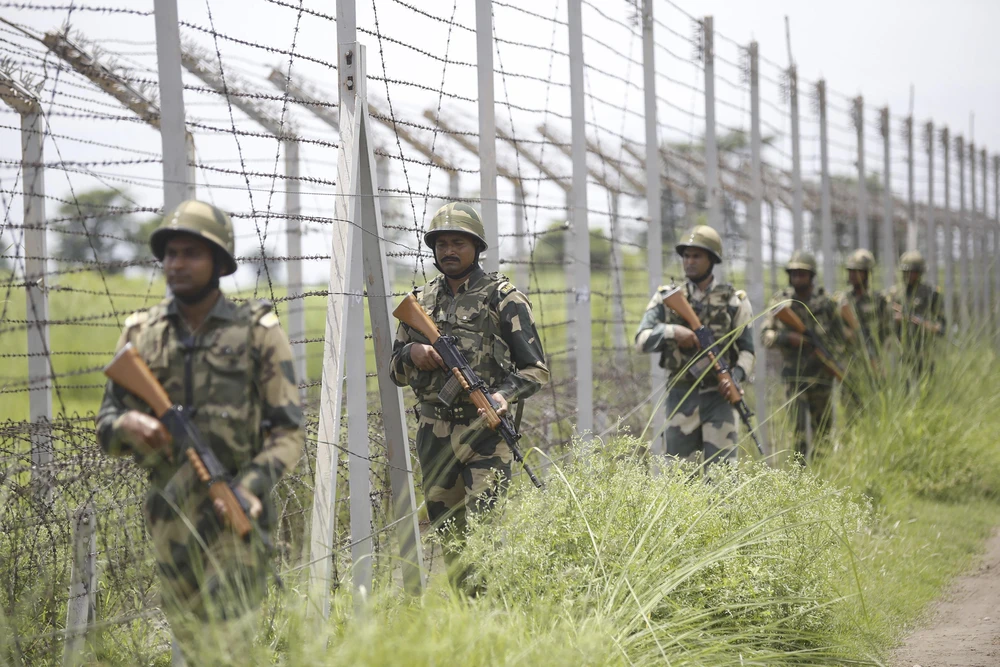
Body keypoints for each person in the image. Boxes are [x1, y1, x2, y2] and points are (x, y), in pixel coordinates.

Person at [95, 200, 303, 662]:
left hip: (234, 512)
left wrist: (249, 489)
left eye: (190, 253)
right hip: (170, 517)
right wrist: (128, 423)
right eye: (170, 253)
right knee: (190, 641)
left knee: (229, 643)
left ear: (218, 262)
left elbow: (288, 431)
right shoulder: (140, 334)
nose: (176, 264)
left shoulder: (257, 331)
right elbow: (106, 429)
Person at [389, 202, 549, 582]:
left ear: (476, 247)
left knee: (486, 537)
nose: (448, 251)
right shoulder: (421, 302)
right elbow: (395, 372)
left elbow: (536, 370)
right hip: (434, 434)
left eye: (458, 242)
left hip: (485, 433)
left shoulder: (503, 298)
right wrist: (413, 352)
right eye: (441, 243)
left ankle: (491, 618)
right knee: (450, 538)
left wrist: (502, 395)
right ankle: (465, 616)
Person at [634, 225, 755, 470]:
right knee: (679, 480)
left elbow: (747, 349)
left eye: (696, 256)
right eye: (686, 256)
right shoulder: (666, 298)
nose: (689, 262)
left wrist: (735, 377)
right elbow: (641, 340)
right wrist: (673, 331)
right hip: (681, 397)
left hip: (718, 399)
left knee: (722, 481)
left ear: (712, 260)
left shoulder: (734, 301)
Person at [762, 250, 843, 462]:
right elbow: (765, 336)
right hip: (794, 377)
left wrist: (833, 361)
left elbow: (839, 339)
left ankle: (822, 475)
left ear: (812, 275)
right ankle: (799, 481)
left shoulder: (826, 303)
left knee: (823, 432)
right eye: (794, 273)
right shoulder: (781, 303)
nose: (798, 278)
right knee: (796, 431)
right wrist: (787, 338)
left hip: (821, 376)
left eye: (802, 274)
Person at [836, 248, 891, 407]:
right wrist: (846, 333)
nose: (852, 275)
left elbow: (887, 332)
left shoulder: (879, 300)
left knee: (877, 404)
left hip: (873, 359)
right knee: (850, 406)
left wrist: (881, 359)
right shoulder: (842, 300)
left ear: (867, 273)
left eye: (857, 271)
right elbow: (833, 328)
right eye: (850, 271)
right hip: (849, 362)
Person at [885, 250, 945, 377]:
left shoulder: (931, 293)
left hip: (925, 351)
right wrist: (895, 320)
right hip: (899, 351)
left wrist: (928, 326)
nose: (910, 276)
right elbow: (883, 323)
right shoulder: (893, 295)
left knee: (926, 386)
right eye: (907, 272)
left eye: (914, 272)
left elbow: (941, 326)